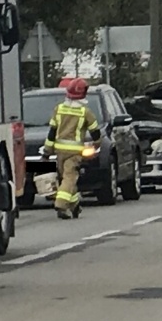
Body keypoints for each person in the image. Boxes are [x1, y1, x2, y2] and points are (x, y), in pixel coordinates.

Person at [45, 77, 100, 219]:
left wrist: (47, 152)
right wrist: (97, 144)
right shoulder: (85, 112)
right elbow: (95, 131)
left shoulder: (59, 109)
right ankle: (61, 205)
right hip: (74, 153)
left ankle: (75, 206)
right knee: (69, 178)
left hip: (59, 152)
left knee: (66, 179)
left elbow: (52, 132)